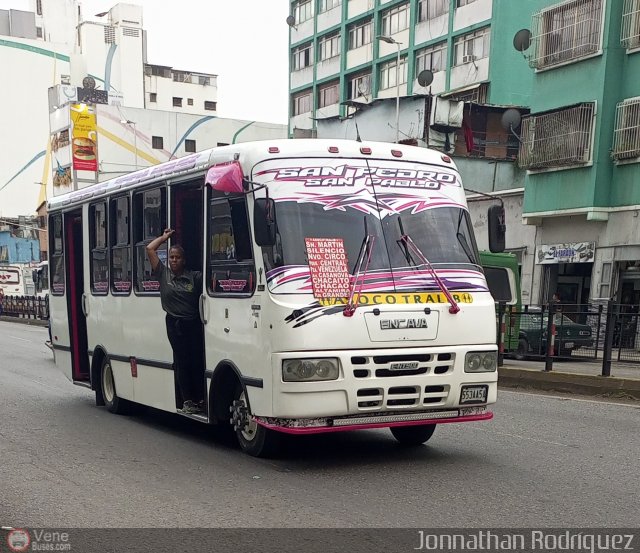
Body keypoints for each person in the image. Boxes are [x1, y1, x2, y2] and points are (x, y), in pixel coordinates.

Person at [146, 228, 205, 414]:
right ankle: (187, 400)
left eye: (177, 257)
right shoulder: (163, 274)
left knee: (196, 361)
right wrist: (164, 238)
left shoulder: (194, 277)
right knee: (182, 361)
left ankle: (200, 398)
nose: (173, 260)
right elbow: (150, 249)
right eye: (171, 257)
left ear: (184, 260)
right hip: (174, 324)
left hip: (193, 324)